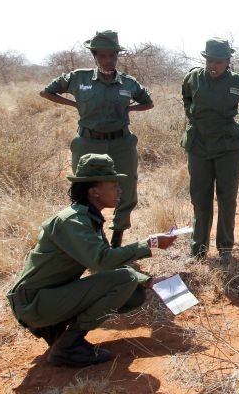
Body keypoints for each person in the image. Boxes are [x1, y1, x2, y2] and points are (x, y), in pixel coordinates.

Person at [6, 154, 177, 367]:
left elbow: (105, 262)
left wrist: (148, 281)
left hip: (44, 298)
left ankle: (56, 329)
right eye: (113, 185)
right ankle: (68, 346)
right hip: (32, 303)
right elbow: (102, 261)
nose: (119, 190)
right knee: (125, 280)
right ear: (94, 191)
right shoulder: (72, 221)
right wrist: (150, 243)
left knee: (134, 291)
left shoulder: (87, 217)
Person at [40, 30, 154, 248]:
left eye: (112, 55)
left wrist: (129, 109)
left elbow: (148, 102)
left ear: (117, 56)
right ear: (95, 56)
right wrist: (74, 105)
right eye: (102, 56)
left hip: (121, 143)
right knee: (84, 189)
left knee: (126, 189)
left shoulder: (128, 83)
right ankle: (91, 239)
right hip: (88, 142)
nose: (108, 60)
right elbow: (47, 92)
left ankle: (117, 240)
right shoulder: (78, 78)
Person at [181, 38, 239, 261]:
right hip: (199, 144)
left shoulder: (238, 83)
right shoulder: (193, 78)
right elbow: (186, 96)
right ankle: (198, 250)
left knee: (227, 198)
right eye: (209, 61)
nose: (212, 66)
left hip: (227, 146)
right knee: (200, 197)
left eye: (218, 61)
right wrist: (192, 115)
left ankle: (225, 248)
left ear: (228, 61)